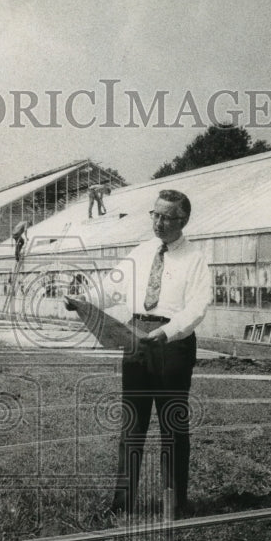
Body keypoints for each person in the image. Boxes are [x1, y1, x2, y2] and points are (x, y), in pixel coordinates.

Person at [66, 189, 212, 518]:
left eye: (167, 217)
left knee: (173, 429)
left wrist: (167, 332)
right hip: (134, 341)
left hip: (172, 345)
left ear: (183, 220)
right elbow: (111, 285)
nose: (159, 223)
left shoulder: (195, 260)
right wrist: (82, 299)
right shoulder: (142, 252)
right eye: (155, 215)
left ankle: (175, 506)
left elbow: (198, 307)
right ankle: (122, 505)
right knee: (131, 427)